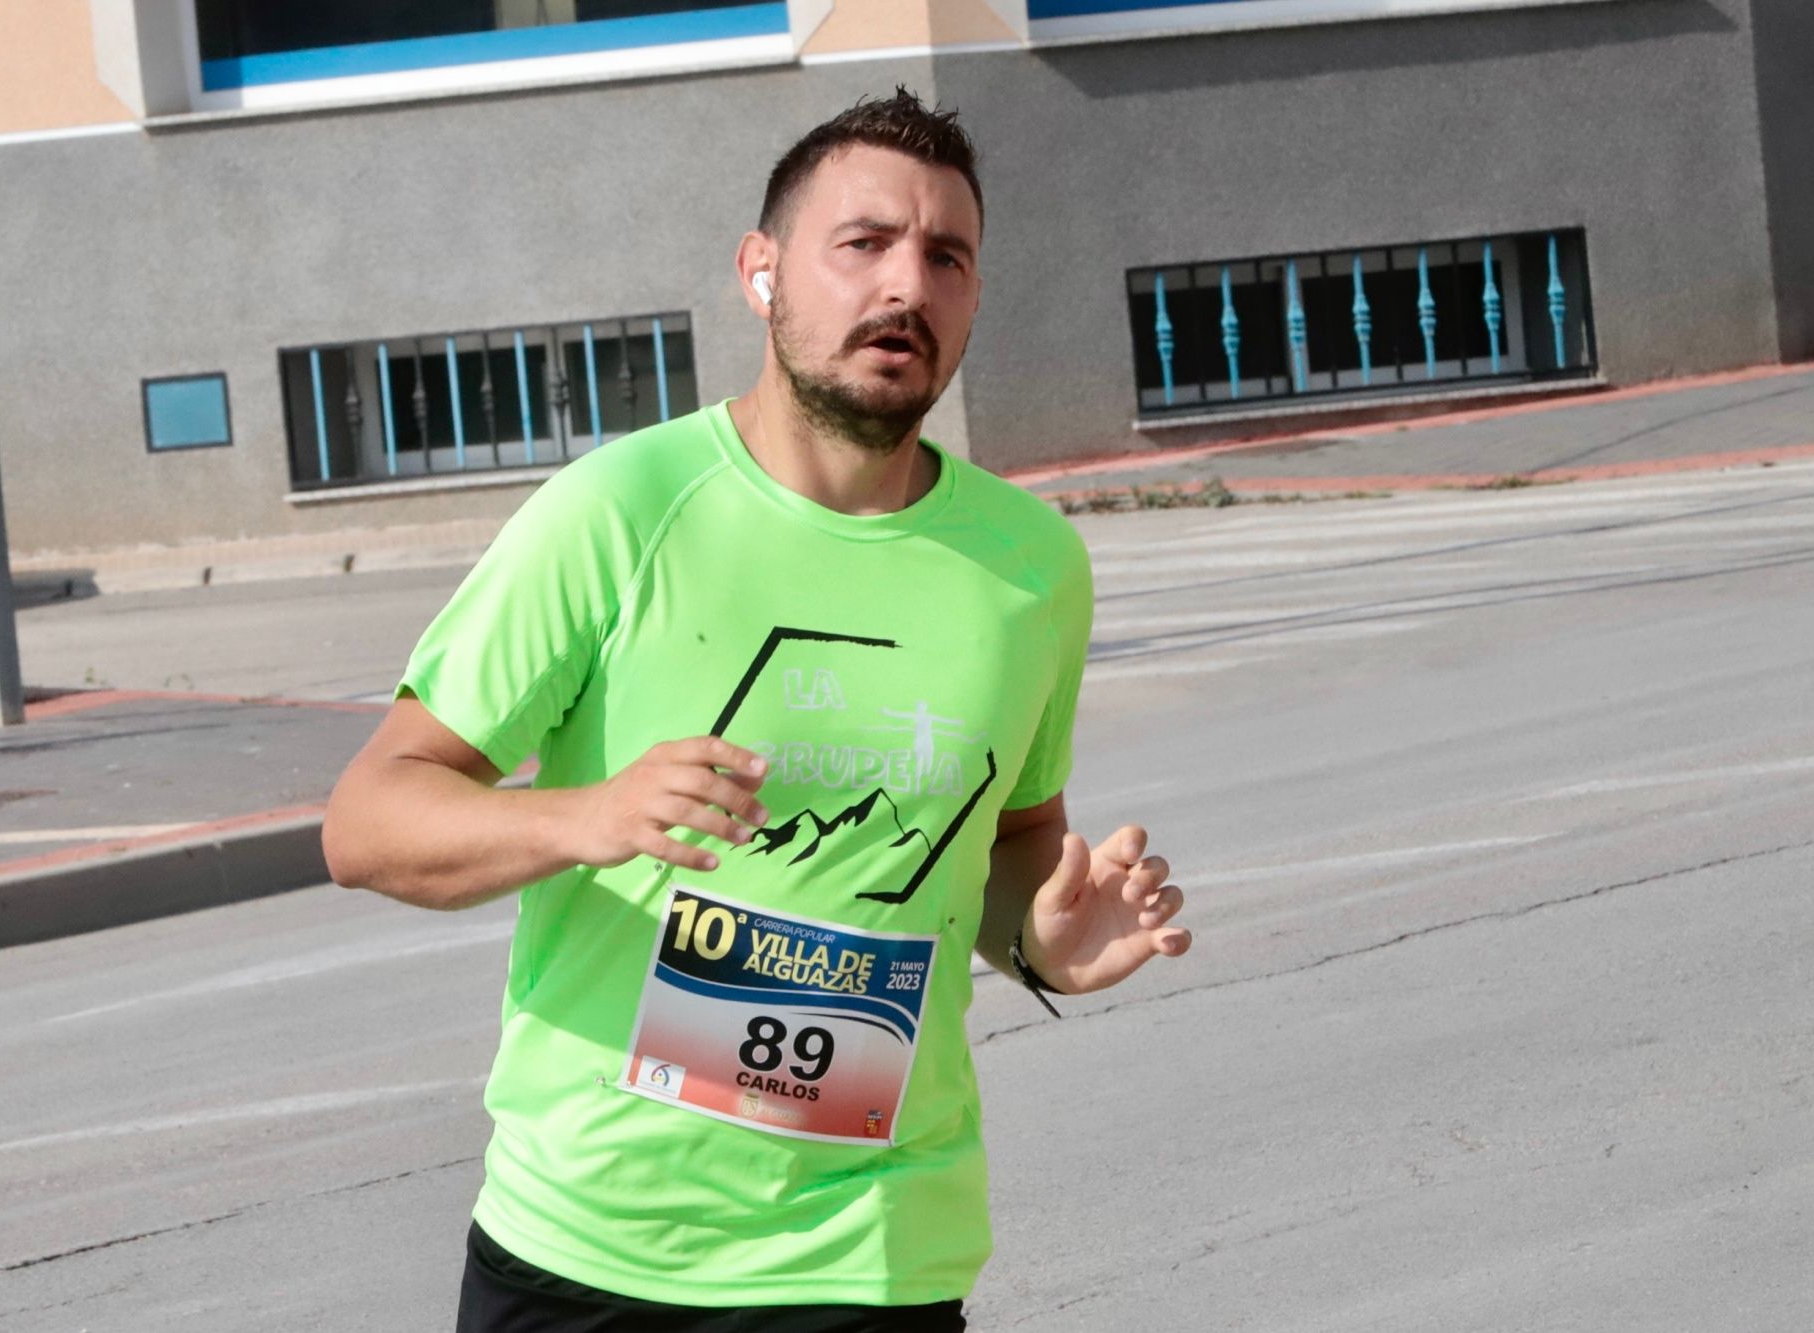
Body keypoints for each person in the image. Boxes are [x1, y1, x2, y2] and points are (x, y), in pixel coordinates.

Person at [323, 87, 1191, 1333]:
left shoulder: (1028, 566)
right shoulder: (620, 509)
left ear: (974, 298)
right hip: (593, 1252)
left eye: (945, 256)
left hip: (876, 1252)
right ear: (762, 271)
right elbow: (367, 819)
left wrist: (1044, 935)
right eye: (863, 243)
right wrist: (589, 814)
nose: (906, 284)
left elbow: (1003, 844)